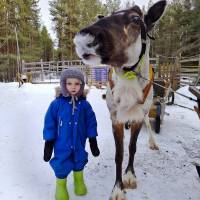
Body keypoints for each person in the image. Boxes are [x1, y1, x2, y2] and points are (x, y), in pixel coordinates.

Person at [43, 68, 100, 200]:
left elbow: (91, 122)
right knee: (61, 162)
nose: (73, 87)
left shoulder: (85, 105)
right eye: (69, 83)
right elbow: (49, 123)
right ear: (63, 84)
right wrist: (49, 142)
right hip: (61, 143)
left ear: (81, 85)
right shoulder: (56, 104)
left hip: (79, 142)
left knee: (79, 159)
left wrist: (92, 140)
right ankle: (61, 186)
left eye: (77, 83)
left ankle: (78, 180)